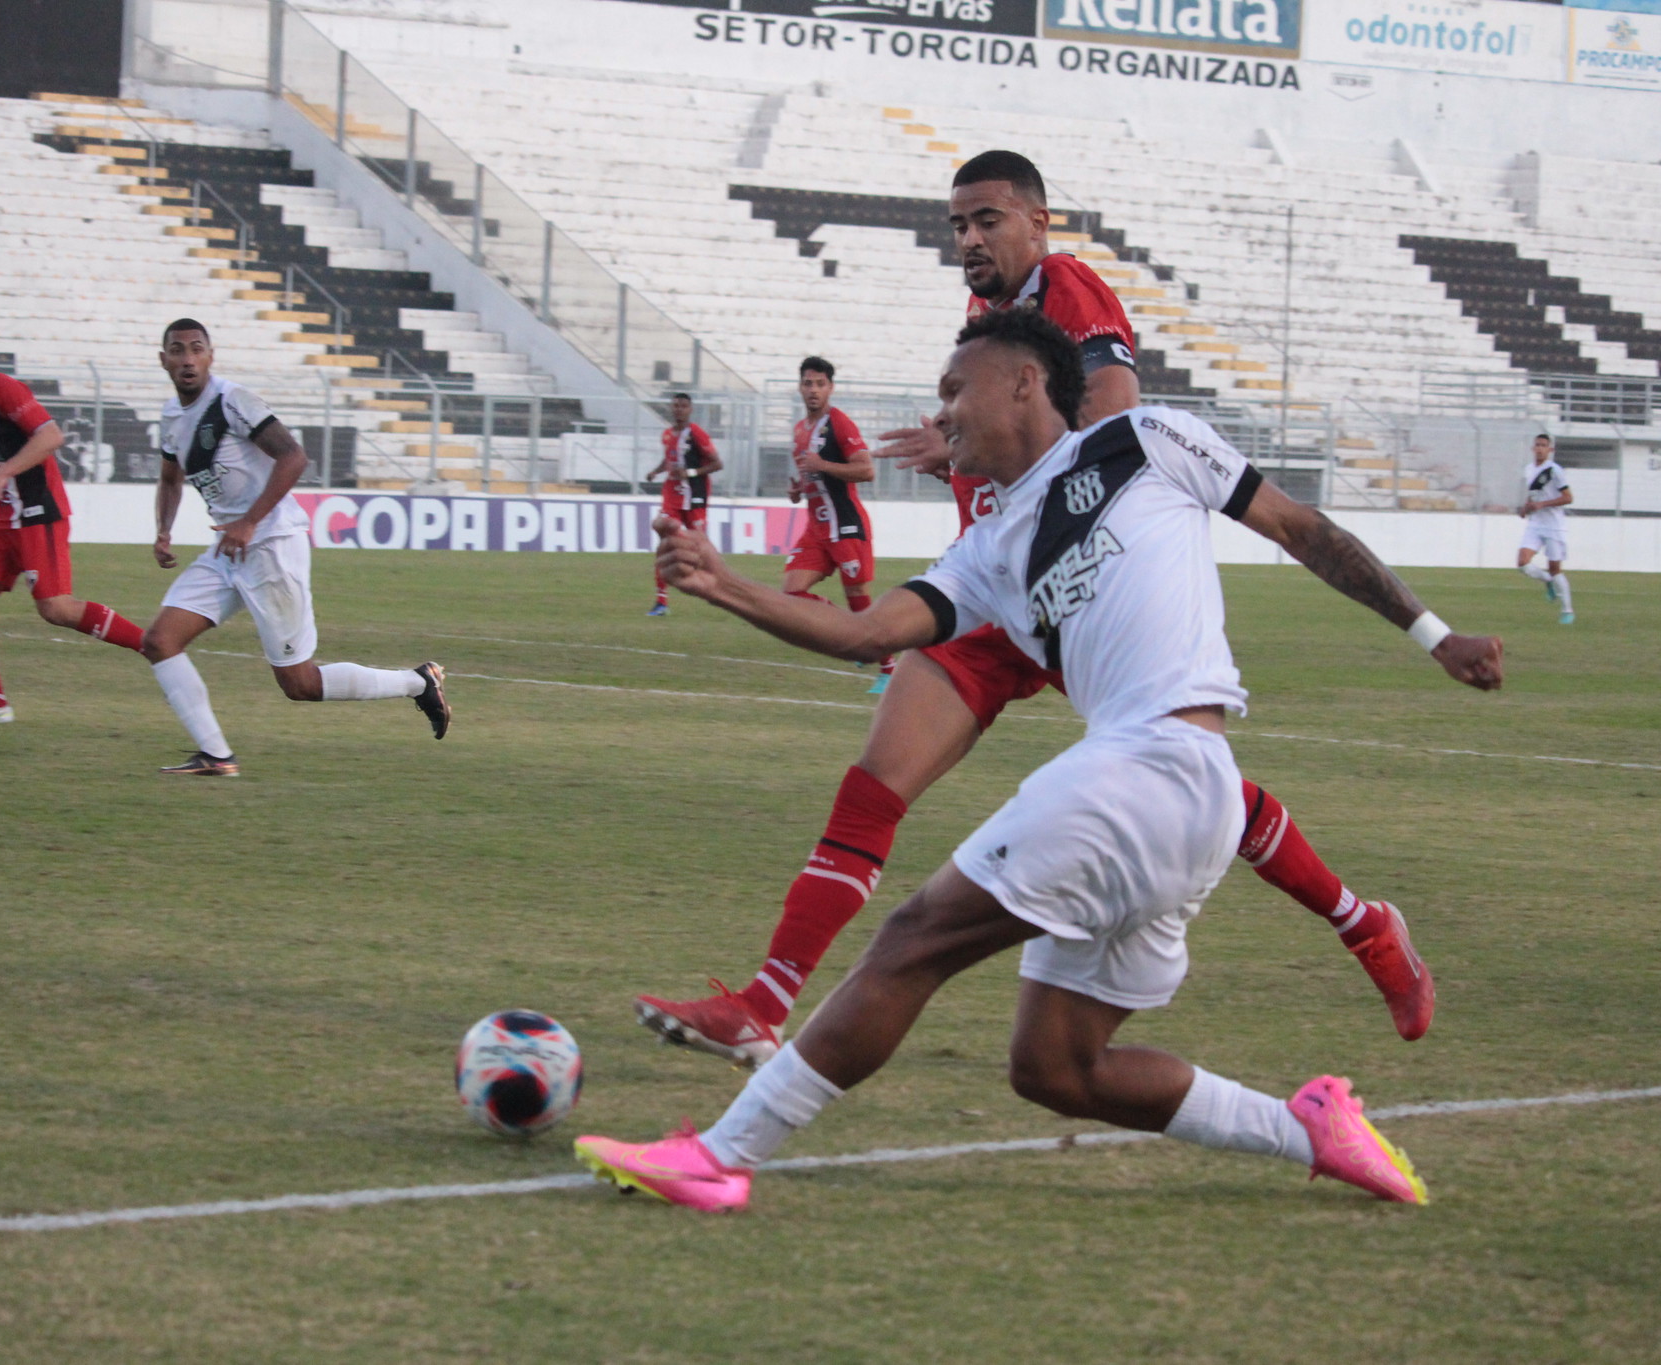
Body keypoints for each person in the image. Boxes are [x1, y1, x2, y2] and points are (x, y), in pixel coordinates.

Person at [579, 310, 1504, 1213]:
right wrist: (724, 583)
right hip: (1175, 799)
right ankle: (1312, 1129)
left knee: (914, 940)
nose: (940, 415)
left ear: (1023, 381)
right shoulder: (990, 547)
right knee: (1058, 1067)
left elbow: (1304, 530)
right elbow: (866, 634)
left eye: (953, 391)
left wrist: (1434, 634)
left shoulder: (1145, 438)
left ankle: (718, 1157)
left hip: (1160, 768)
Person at [634, 151, 1432, 1066]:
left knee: (1194, 779)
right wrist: (961, 442)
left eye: (987, 220)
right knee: (874, 785)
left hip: (1072, 578)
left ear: (1038, 222)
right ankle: (761, 1005)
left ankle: (1365, 924)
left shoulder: (1073, 291)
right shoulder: (991, 315)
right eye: (958, 226)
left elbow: (1114, 417)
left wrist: (1002, 452)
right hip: (991, 590)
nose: (970, 239)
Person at [140, 319, 450, 776]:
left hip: (272, 546)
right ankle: (217, 756)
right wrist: (163, 531)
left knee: (299, 683)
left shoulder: (232, 401)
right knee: (160, 641)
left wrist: (249, 521)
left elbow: (294, 457)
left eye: (196, 349)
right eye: (177, 350)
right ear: (163, 359)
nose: (187, 358)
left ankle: (415, 683)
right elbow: (170, 478)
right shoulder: (172, 416)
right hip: (228, 551)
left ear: (210, 356)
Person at [0, 317, 149, 724]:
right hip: (4, 516)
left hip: (38, 509)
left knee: (56, 609)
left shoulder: (1, 388)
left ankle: (151, 644)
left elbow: (51, 436)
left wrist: (1, 475)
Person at [783, 356, 890, 693]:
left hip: (844, 523)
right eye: (807, 383)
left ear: (830, 387)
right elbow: (811, 474)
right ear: (800, 387)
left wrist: (823, 465)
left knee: (857, 593)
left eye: (819, 384)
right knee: (791, 594)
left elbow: (866, 470)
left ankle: (888, 668)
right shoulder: (800, 430)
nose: (813, 390)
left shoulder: (839, 423)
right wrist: (798, 490)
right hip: (816, 527)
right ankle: (853, 632)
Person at [645, 393, 723, 617]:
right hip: (672, 496)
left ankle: (718, 589)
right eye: (676, 405)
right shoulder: (668, 434)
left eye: (683, 406)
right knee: (665, 543)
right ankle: (661, 602)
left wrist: (689, 473)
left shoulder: (696, 434)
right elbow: (669, 459)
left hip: (695, 496)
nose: (679, 409)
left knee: (700, 547)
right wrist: (657, 471)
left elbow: (717, 464)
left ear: (690, 409)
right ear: (672, 408)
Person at [1517, 434, 1575, 625]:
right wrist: (1526, 507)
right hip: (1535, 524)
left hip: (1554, 526)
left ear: (1550, 450)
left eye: (1544, 445)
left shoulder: (1554, 470)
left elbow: (1568, 498)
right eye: (1537, 445)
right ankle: (1547, 581)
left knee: (1555, 569)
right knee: (1523, 563)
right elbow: (1533, 495)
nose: (1540, 448)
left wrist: (1543, 504)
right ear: (1533, 448)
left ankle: (1567, 610)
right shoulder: (1528, 470)